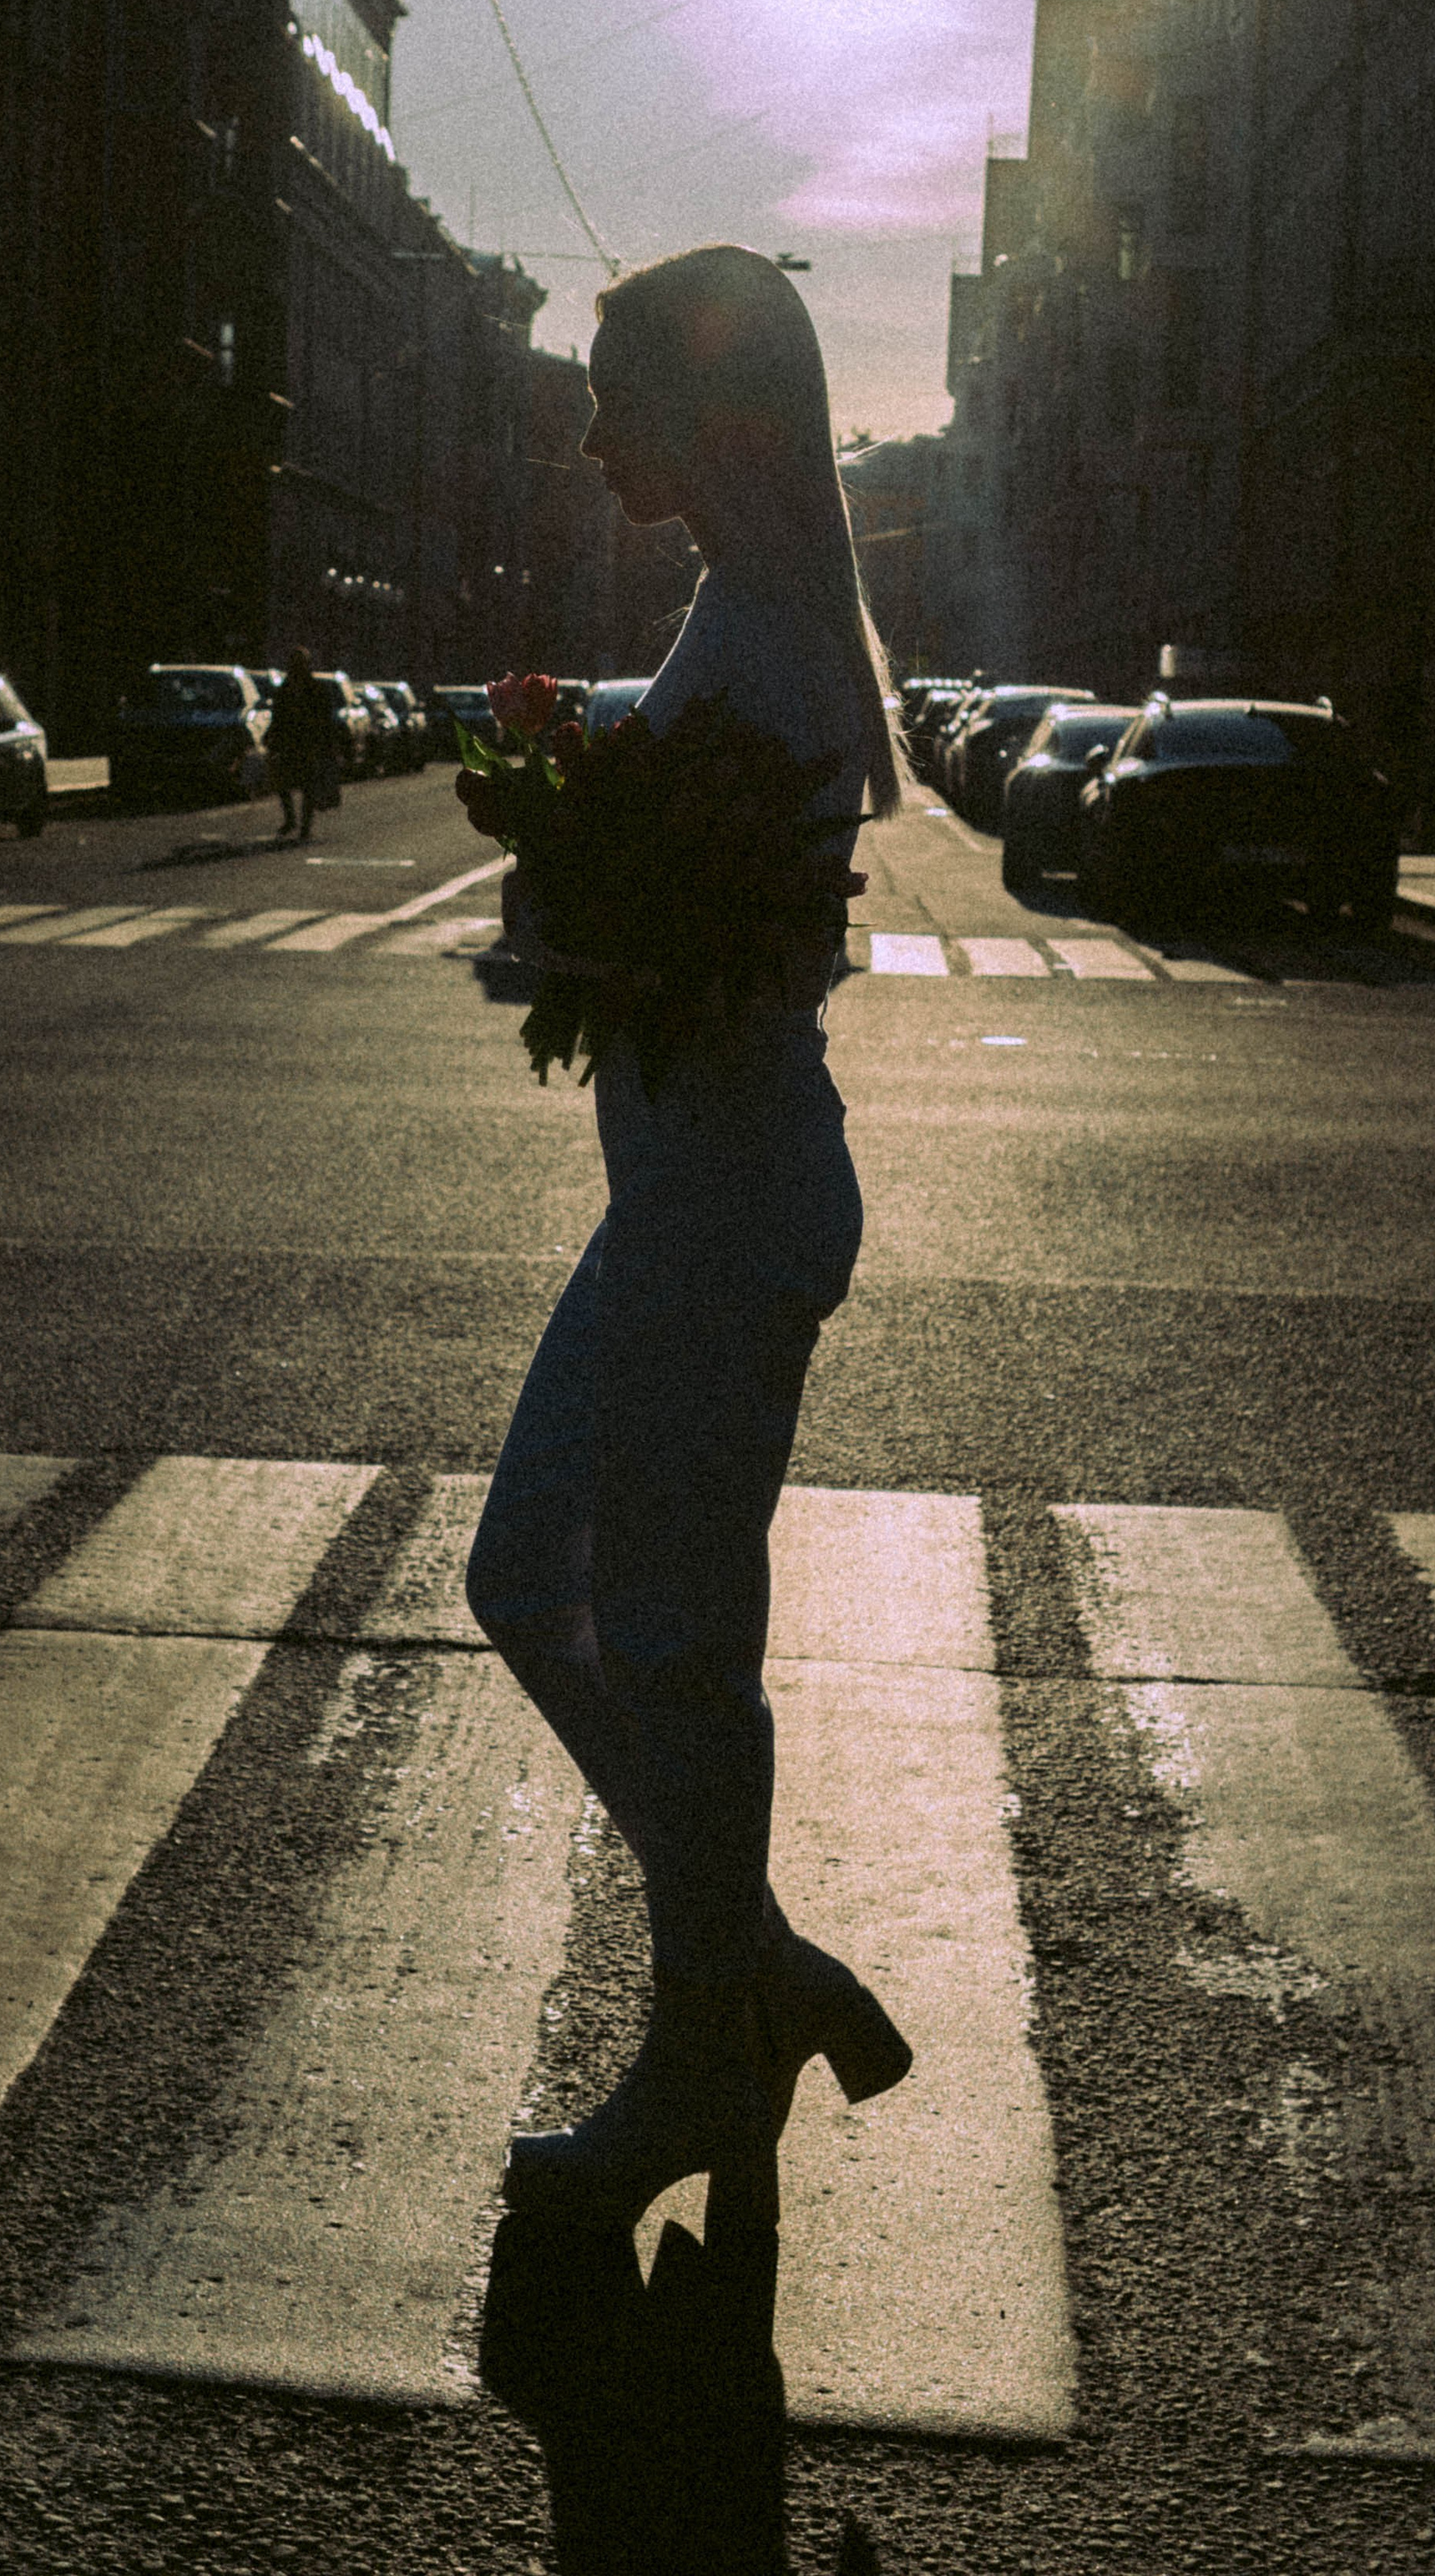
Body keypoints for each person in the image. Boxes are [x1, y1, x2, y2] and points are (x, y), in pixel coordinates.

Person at [466, 244, 914, 2233]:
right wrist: (588, 734)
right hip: (691, 1197)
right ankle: (753, 1973)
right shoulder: (756, 613)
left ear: (703, 414)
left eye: (612, 397)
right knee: (524, 1578)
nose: (586, 436)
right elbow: (702, 757)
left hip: (722, 1211)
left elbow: (717, 927)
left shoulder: (783, 638)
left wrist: (568, 902)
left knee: (662, 1637)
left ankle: (698, 2059)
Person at [265, 648, 333, 840]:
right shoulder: (286, 689)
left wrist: (325, 742)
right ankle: (292, 820)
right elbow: (278, 716)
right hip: (289, 742)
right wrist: (271, 736)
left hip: (307, 742)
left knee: (307, 785)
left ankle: (304, 825)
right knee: (283, 782)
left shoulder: (315, 688)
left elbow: (324, 718)